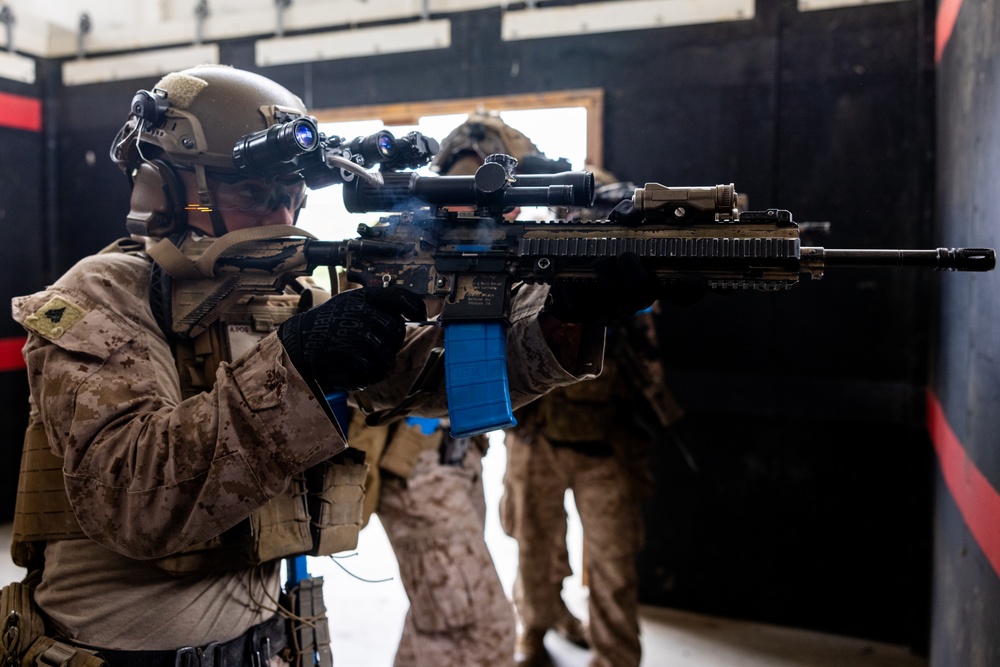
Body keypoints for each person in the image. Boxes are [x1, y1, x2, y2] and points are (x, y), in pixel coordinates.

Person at [4, 65, 643, 667]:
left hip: (267, 642)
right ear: (167, 191)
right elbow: (132, 497)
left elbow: (425, 377)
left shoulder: (280, 295)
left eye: (291, 196)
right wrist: (298, 366)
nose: (282, 219)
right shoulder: (103, 294)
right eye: (256, 193)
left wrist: (567, 313)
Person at [500, 164, 685, 667]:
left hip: (605, 443)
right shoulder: (536, 261)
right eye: (576, 214)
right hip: (536, 439)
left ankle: (616, 655)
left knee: (612, 564)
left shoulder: (629, 274)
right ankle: (536, 632)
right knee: (535, 553)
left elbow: (647, 354)